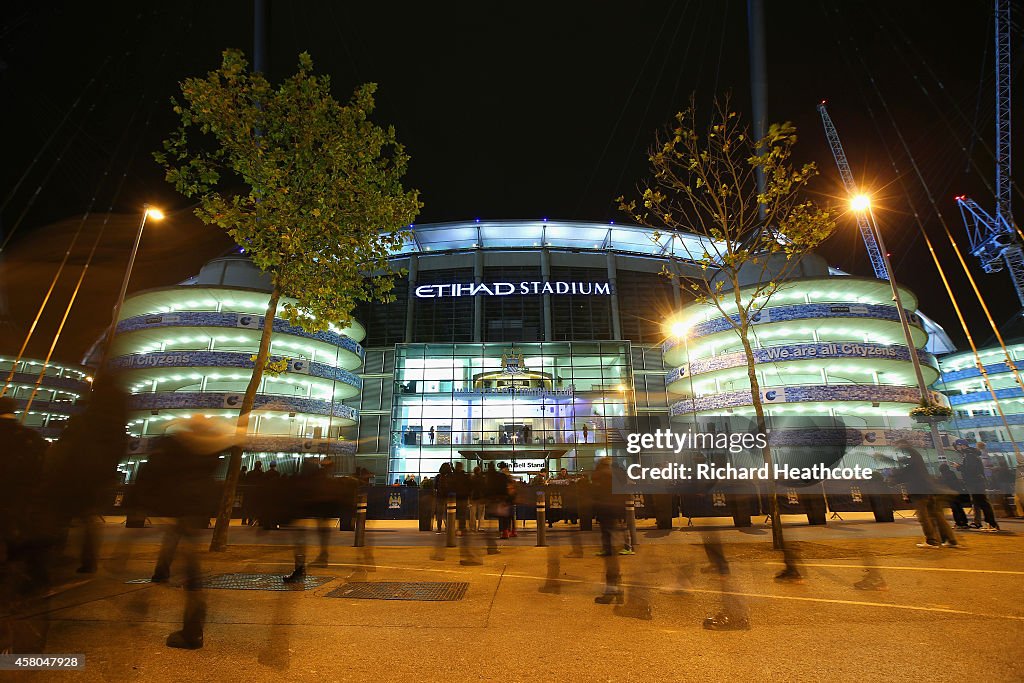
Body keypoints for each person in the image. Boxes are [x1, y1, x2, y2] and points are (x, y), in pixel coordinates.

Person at [144, 416, 238, 649]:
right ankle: (193, 622)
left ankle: (193, 627)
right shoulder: (210, 449)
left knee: (188, 562)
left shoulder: (179, 444)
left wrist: (168, 427)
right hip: (197, 507)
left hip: (179, 504)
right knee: (188, 559)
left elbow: (158, 465)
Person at [891, 445, 961, 549]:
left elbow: (898, 478)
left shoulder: (911, 467)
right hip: (930, 492)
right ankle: (951, 539)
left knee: (924, 517)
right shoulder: (919, 465)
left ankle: (931, 540)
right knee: (937, 516)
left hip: (920, 494)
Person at [953, 439, 1000, 532]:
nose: (957, 448)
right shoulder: (970, 455)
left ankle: (992, 524)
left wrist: (959, 467)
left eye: (958, 446)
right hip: (975, 482)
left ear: (962, 445)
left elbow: (971, 470)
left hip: (975, 483)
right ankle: (979, 522)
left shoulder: (970, 455)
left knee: (983, 502)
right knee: (978, 502)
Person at [938, 463, 970, 529]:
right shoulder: (952, 473)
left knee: (955, 509)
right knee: (959, 508)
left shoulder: (943, 476)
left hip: (950, 494)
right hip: (957, 492)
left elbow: (944, 485)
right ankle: (964, 522)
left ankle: (958, 523)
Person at [468, 466, 486, 532]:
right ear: (479, 471)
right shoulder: (483, 478)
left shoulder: (471, 478)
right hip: (481, 498)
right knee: (481, 514)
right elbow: (485, 489)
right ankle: (481, 527)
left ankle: (473, 527)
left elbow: (469, 489)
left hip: (473, 498)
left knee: (472, 514)